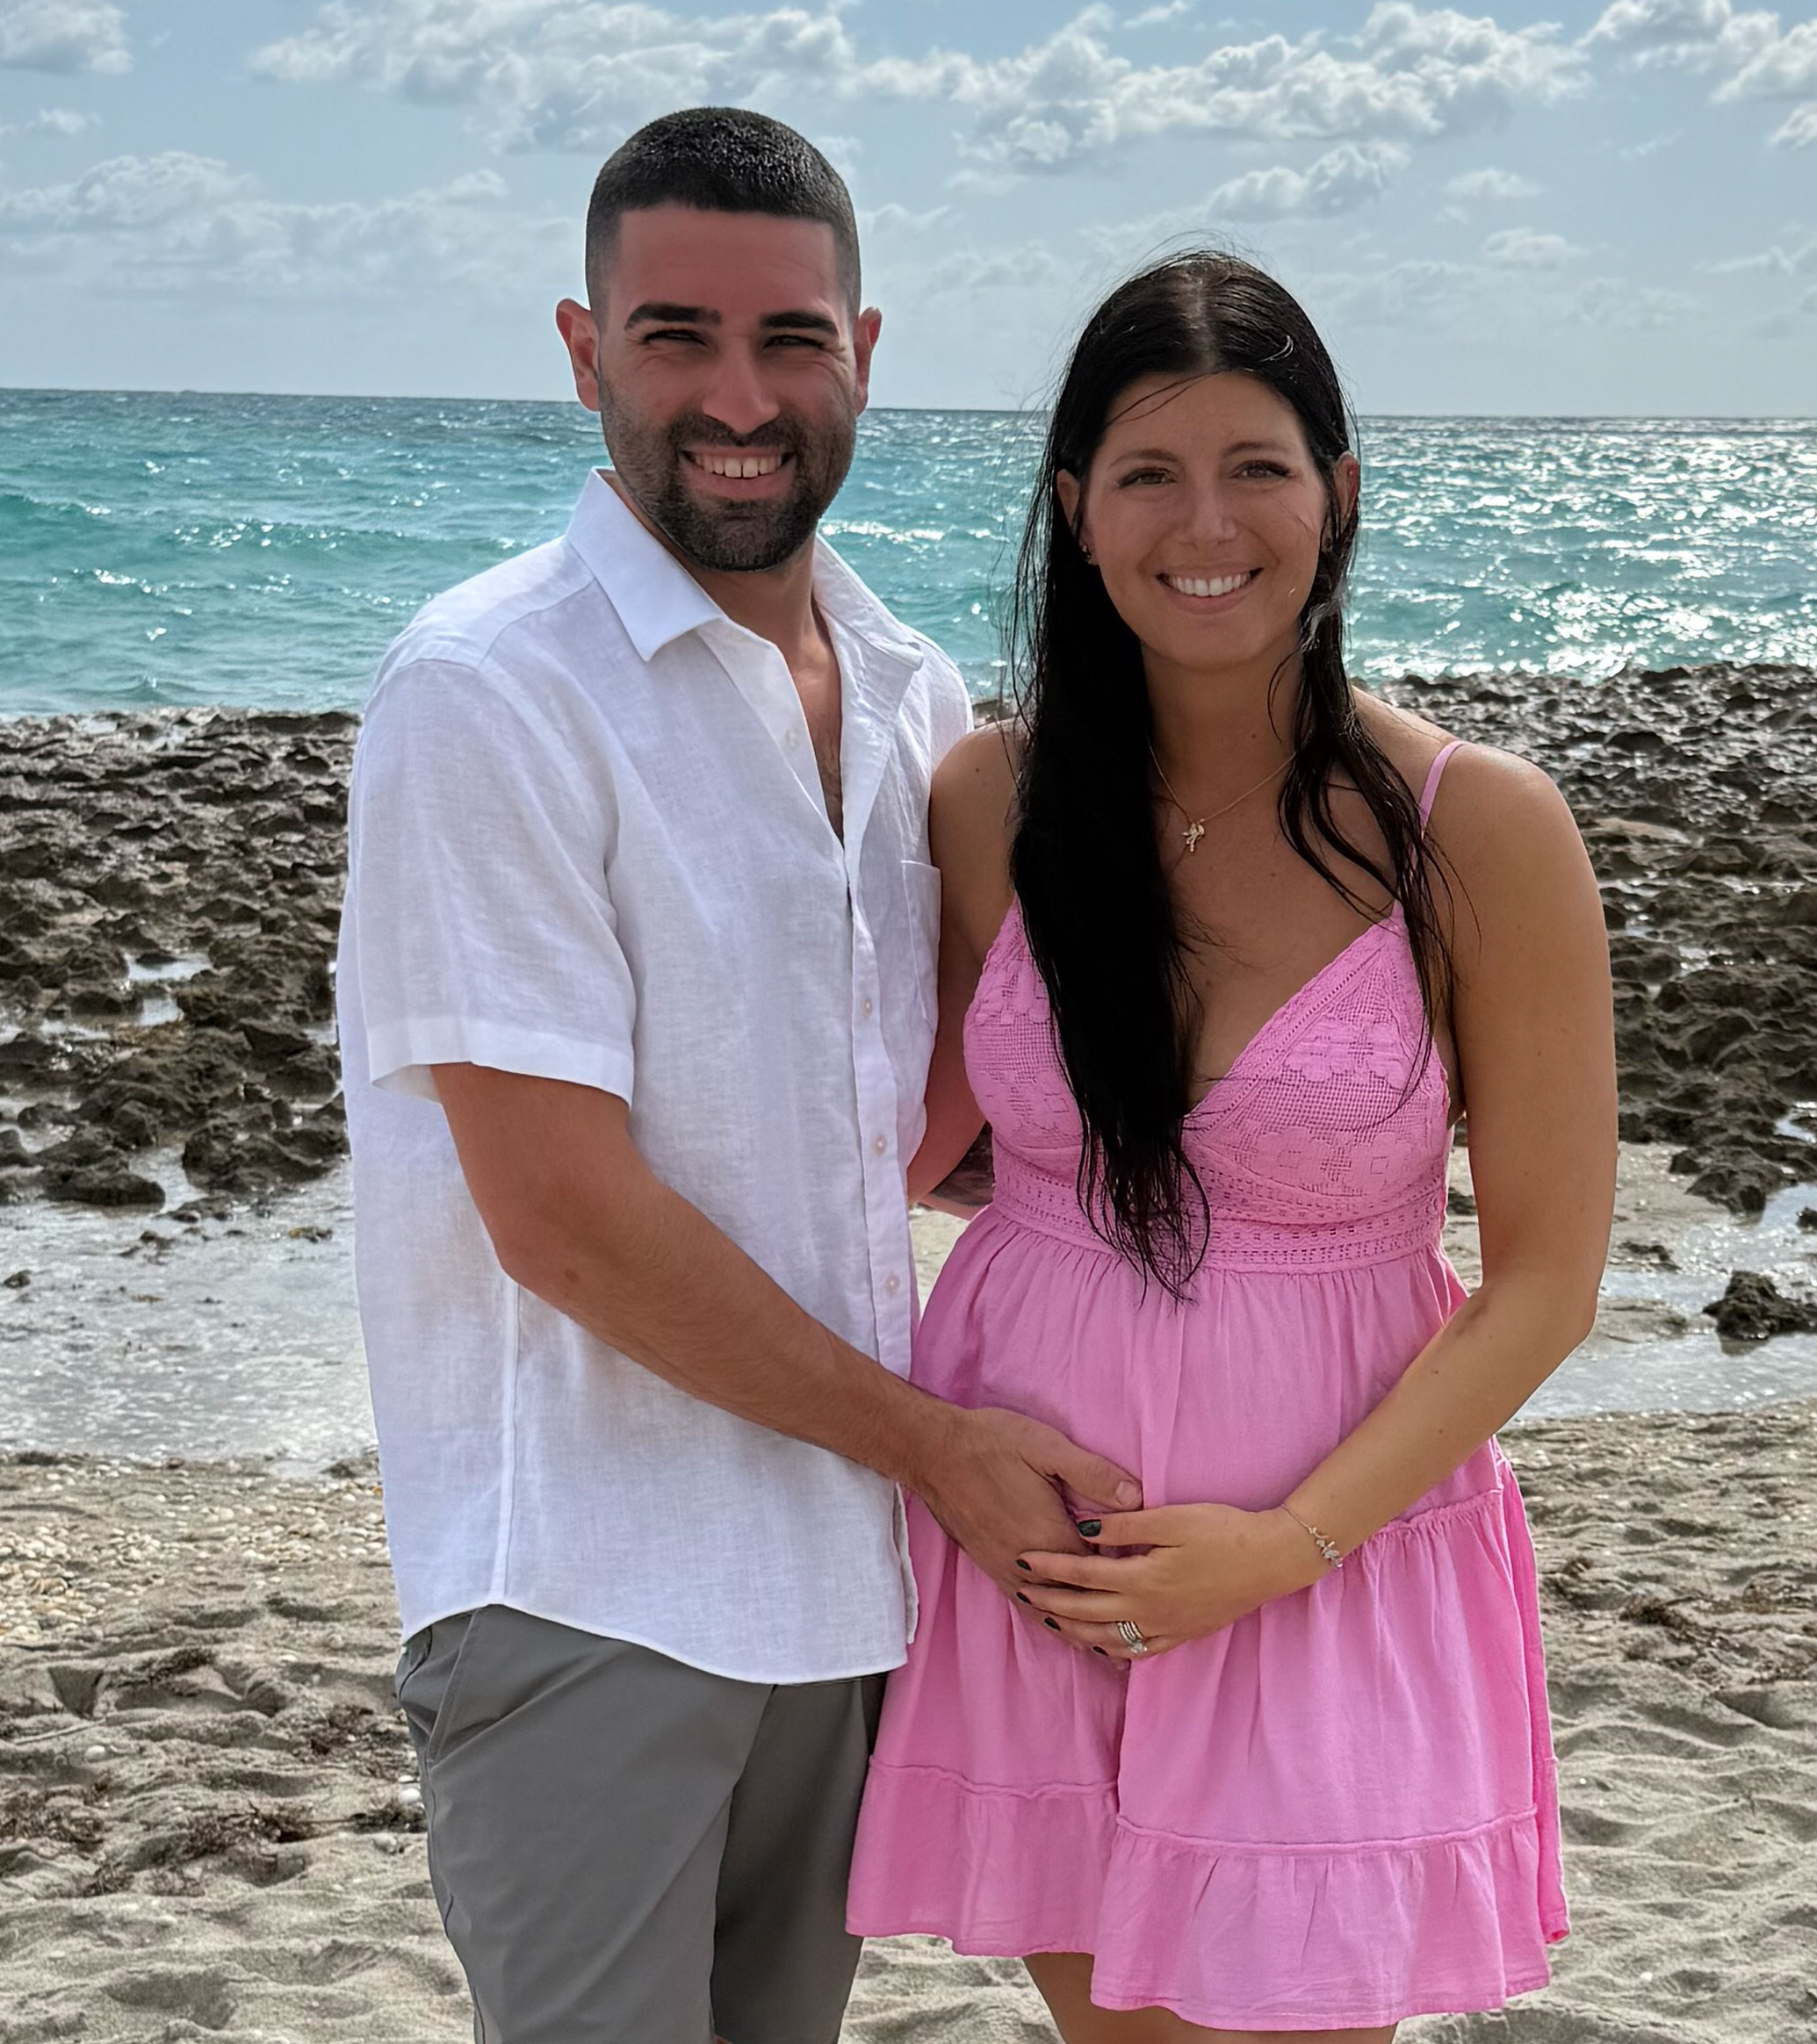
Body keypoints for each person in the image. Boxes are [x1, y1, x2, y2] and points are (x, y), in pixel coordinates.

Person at [331, 108, 1136, 2044]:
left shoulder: (921, 695)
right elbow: (565, 1223)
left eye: (788, 340)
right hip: (588, 1588)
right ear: (583, 348)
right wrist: (938, 1446)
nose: (738, 396)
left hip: (840, 1590)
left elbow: (904, 1141)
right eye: (676, 335)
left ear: (865, 351)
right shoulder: (487, 690)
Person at [846, 252, 1617, 2040]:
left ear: (1338, 498)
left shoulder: (1474, 833)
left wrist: (1288, 1543)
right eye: (1148, 474)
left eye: (1257, 467)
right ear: (1076, 514)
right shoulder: (987, 803)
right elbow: (895, 1135)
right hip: (1040, 1538)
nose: (1208, 523)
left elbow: (1546, 1284)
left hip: (1324, 1550)